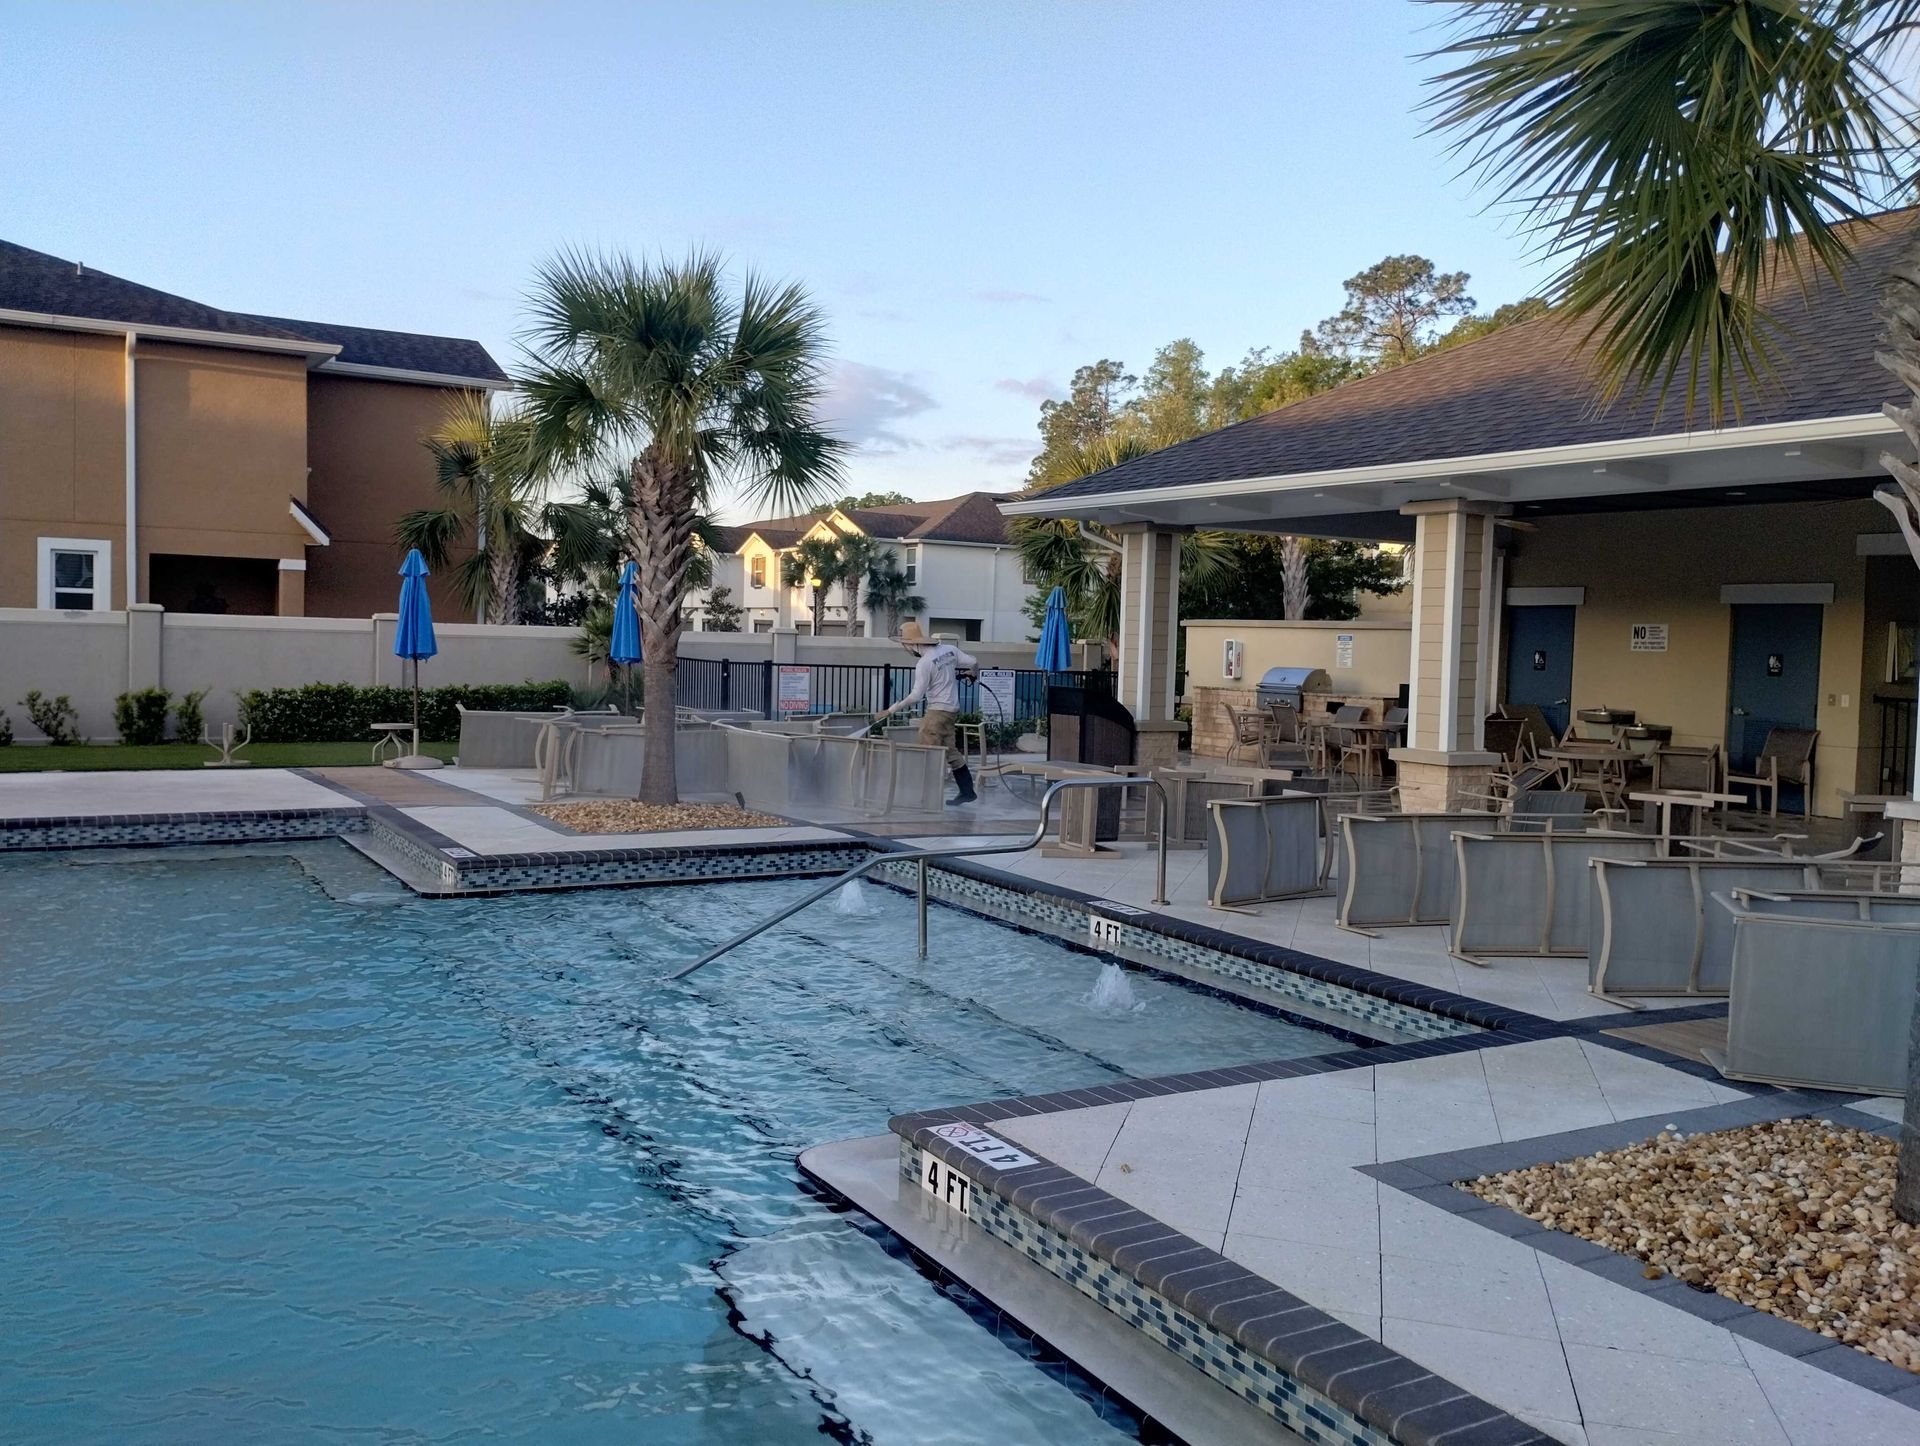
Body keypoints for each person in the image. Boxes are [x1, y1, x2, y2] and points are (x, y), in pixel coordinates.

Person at [874, 620, 979, 804]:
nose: (906, 649)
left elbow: (916, 695)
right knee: (950, 751)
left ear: (912, 644)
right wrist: (973, 673)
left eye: (905, 645)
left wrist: (890, 710)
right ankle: (967, 791)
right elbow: (973, 661)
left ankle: (925, 798)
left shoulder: (924, 663)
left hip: (937, 712)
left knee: (927, 753)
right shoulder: (949, 650)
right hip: (951, 710)